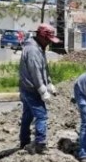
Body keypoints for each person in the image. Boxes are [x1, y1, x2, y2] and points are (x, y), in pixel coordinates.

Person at [18, 23, 60, 154]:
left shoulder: (38, 47)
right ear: (41, 36)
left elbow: (43, 69)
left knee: (27, 116)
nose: (49, 42)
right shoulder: (33, 50)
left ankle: (24, 142)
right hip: (32, 89)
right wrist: (43, 90)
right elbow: (35, 72)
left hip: (27, 88)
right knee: (41, 116)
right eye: (48, 39)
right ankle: (40, 144)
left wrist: (49, 83)